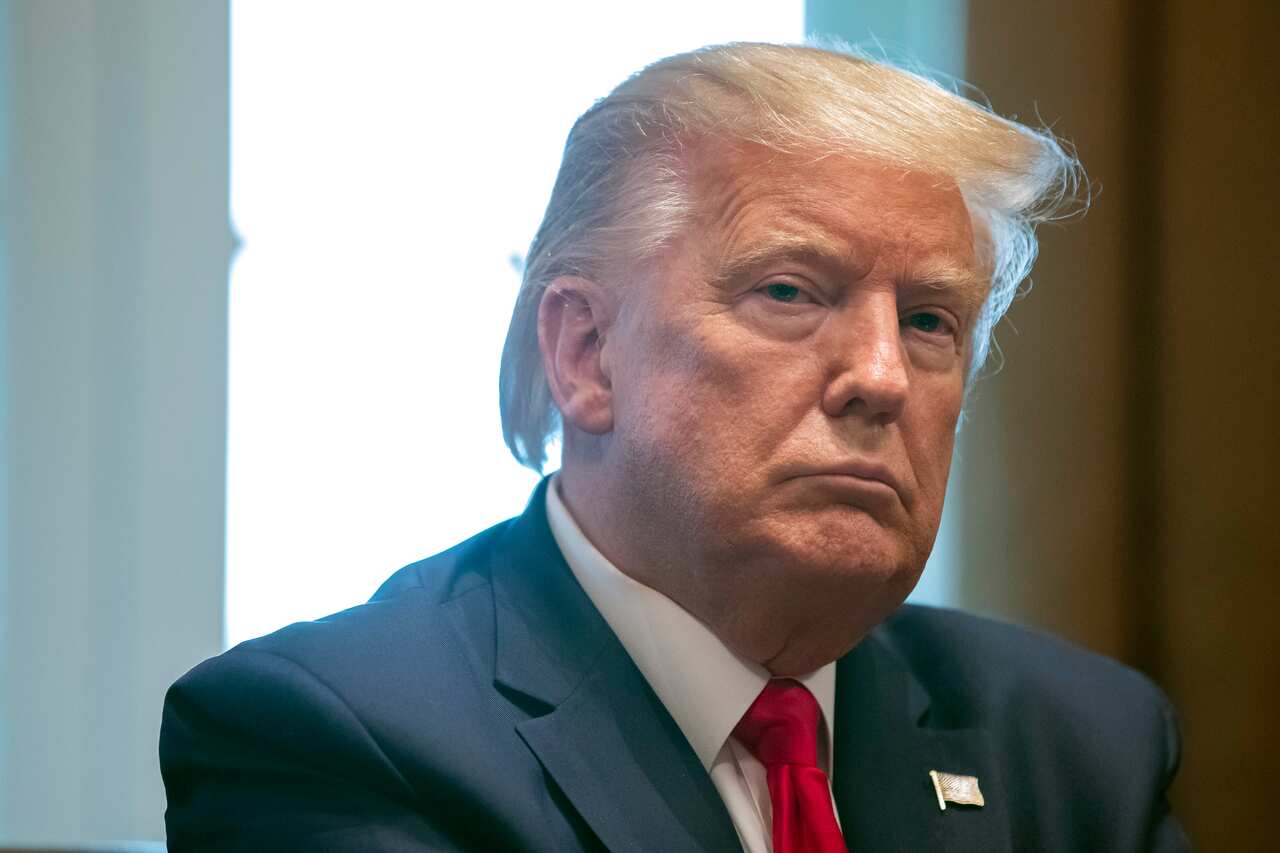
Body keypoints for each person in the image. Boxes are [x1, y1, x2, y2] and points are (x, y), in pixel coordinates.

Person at [160, 43, 1189, 852]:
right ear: (586, 354)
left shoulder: (1074, 741)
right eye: (788, 291)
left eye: (929, 321)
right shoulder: (341, 732)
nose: (880, 375)